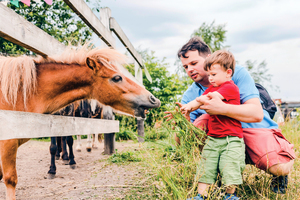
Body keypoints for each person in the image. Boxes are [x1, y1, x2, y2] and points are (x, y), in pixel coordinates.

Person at [165, 37, 295, 197]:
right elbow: (184, 144)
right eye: (185, 66)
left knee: (279, 168)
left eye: (193, 63)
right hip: (222, 138)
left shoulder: (235, 73)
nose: (189, 69)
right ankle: (219, 173)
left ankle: (281, 164)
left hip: (254, 129)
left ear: (208, 59)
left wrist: (223, 108)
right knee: (201, 122)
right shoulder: (189, 95)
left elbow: (256, 114)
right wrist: (182, 122)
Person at [180, 50, 245, 200]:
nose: (210, 78)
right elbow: (199, 99)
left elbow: (210, 98)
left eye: (214, 75)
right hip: (213, 138)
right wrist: (187, 107)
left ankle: (230, 195)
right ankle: (200, 195)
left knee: (229, 166)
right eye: (209, 75)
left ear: (228, 73)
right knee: (206, 166)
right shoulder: (212, 88)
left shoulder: (230, 87)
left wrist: (199, 102)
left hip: (231, 138)